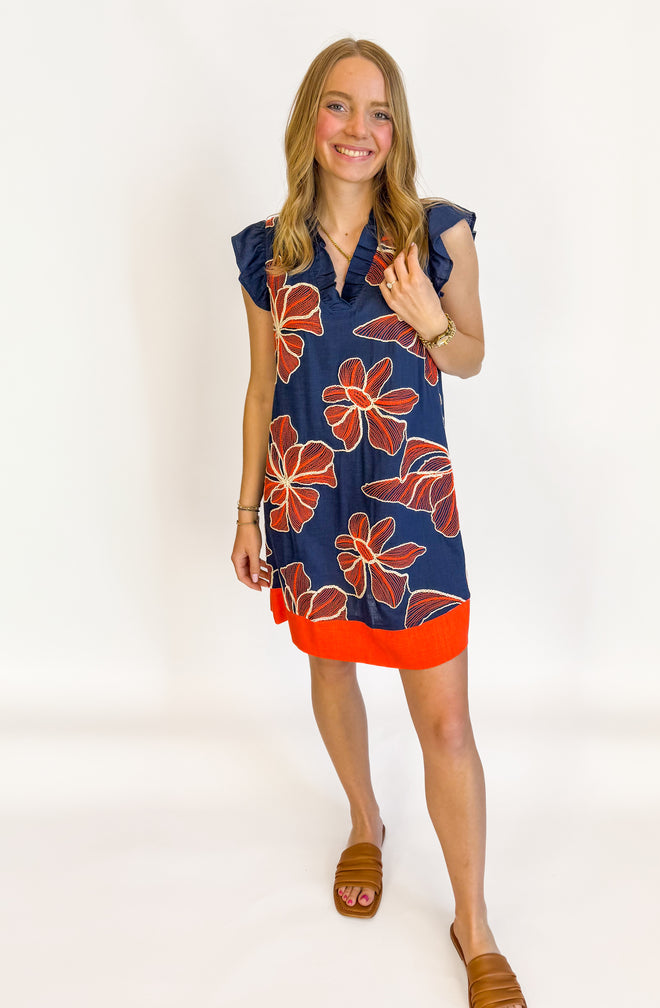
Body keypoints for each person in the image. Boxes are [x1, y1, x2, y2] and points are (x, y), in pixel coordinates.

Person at [230, 37, 527, 1008]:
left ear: (397, 131)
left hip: (411, 511)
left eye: (380, 111)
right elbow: (266, 383)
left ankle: (472, 924)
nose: (359, 129)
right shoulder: (267, 251)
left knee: (447, 721)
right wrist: (247, 510)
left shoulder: (438, 235)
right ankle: (366, 819)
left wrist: (429, 317)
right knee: (332, 669)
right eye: (339, 105)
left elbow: (472, 355)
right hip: (309, 504)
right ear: (309, 120)